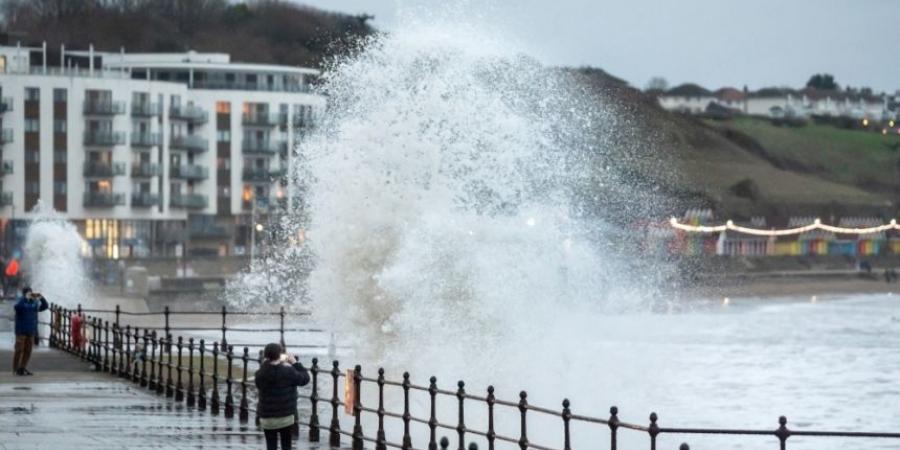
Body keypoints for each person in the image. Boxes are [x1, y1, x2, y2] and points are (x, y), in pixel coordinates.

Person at [254, 343, 310, 450]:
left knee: (271, 445)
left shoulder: (261, 373)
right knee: (286, 445)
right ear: (280, 355)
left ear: (265, 356)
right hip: (286, 416)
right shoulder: (288, 371)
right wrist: (295, 363)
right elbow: (305, 379)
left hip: (267, 417)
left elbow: (259, 382)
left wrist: (265, 363)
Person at [13, 287, 49, 376]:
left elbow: (45, 306)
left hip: (31, 330)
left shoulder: (34, 303)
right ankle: (16, 369)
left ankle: (22, 368)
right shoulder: (21, 302)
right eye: (28, 293)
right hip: (21, 330)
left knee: (28, 351)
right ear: (24, 294)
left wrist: (41, 297)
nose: (31, 294)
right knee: (19, 350)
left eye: (31, 293)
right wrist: (25, 298)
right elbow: (17, 308)